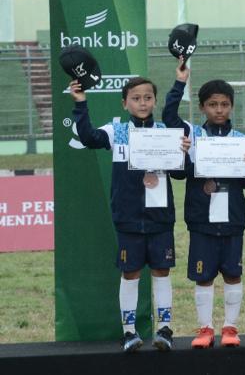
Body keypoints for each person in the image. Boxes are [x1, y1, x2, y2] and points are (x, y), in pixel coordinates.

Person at [70, 76, 187, 352]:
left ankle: (164, 330)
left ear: (155, 101)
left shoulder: (166, 132)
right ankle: (129, 332)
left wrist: (183, 152)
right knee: (130, 272)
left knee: (161, 271)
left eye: (148, 97)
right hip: (128, 218)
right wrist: (81, 103)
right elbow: (88, 138)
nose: (142, 103)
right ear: (124, 104)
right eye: (136, 98)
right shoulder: (117, 131)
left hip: (160, 218)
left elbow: (180, 174)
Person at [162, 60, 245, 348]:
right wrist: (180, 83)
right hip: (201, 218)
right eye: (213, 104)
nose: (219, 110)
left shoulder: (241, 141)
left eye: (224, 104)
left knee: (232, 272)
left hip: (232, 217)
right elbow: (168, 116)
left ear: (231, 107)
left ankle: (230, 327)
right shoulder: (193, 135)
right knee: (203, 275)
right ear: (203, 107)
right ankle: (205, 328)